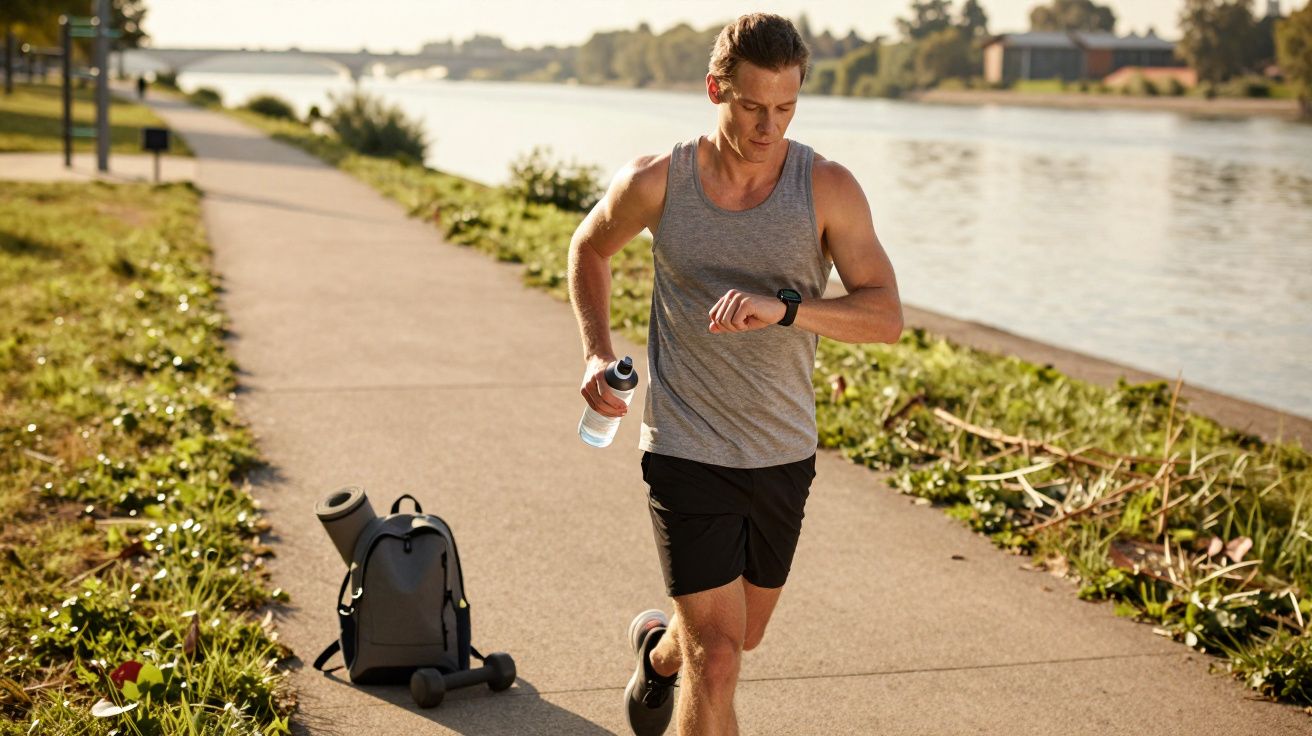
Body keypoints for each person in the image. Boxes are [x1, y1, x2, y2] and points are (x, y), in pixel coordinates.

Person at [566, 13, 902, 736]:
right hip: (685, 446)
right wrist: (596, 350)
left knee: (738, 637)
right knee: (718, 661)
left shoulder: (828, 188)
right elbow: (589, 248)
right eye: (752, 106)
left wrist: (785, 310)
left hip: (782, 450)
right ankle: (684, 656)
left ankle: (659, 657)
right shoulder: (658, 181)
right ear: (716, 88)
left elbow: (884, 316)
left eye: (785, 108)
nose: (767, 127)